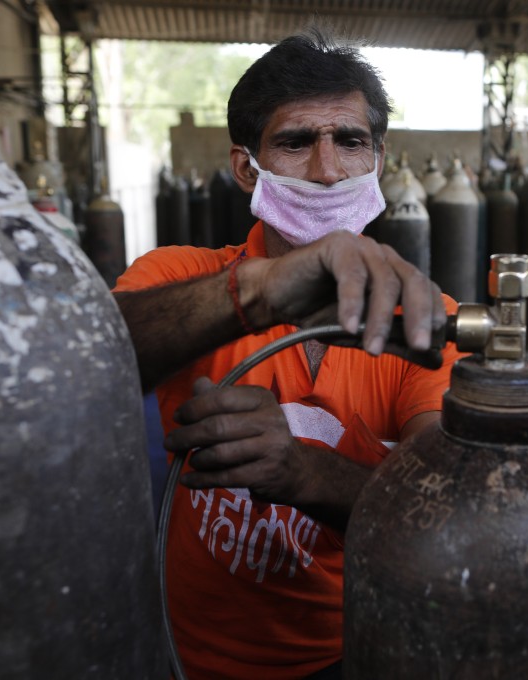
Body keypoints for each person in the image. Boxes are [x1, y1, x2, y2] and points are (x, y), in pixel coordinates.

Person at [112, 25, 465, 679]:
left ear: (378, 160)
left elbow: (446, 518)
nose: (328, 170)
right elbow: (94, 359)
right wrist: (263, 290)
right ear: (247, 165)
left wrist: (302, 474)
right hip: (186, 658)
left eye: (350, 141)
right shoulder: (178, 278)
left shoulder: (423, 322)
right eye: (297, 143)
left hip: (349, 654)